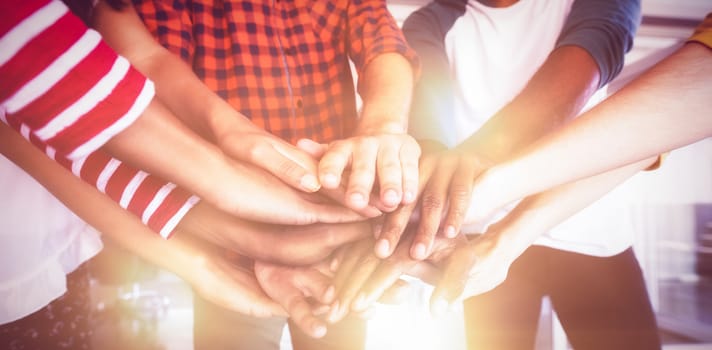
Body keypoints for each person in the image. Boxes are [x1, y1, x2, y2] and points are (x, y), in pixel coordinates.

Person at [81, 0, 420, 348]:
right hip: (231, 250)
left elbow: (385, 46)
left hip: (336, 251)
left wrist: (384, 125)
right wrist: (228, 135)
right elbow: (147, 70)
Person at [330, 0, 664, 349]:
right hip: (480, 240)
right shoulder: (429, 23)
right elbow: (430, 132)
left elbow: (577, 76)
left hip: (588, 231)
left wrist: (474, 159)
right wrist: (411, 204)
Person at [460, 12, 712, 224]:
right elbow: (658, 128)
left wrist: (492, 184)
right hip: (524, 216)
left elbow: (668, 116)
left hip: (588, 232)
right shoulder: (447, 14)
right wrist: (504, 238)